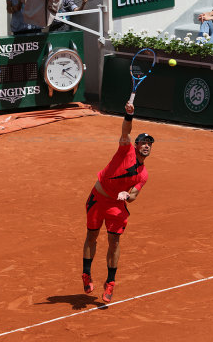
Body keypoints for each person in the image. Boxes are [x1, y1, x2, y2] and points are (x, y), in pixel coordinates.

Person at [82, 101, 154, 303]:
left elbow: (133, 196)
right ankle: (86, 273)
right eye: (144, 142)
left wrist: (126, 196)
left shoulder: (144, 174)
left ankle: (110, 283)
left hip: (116, 205)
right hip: (98, 199)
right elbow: (126, 130)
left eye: (150, 143)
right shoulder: (125, 149)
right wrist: (129, 115)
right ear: (137, 145)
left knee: (114, 242)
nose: (147, 145)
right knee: (92, 236)